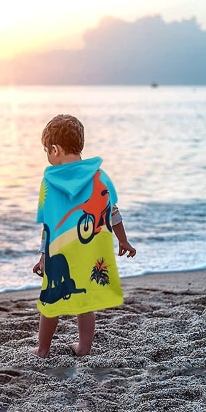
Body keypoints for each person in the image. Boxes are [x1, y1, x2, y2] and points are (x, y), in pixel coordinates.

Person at [32, 114, 136, 358]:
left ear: (55, 150)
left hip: (59, 252)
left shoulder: (48, 182)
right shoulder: (100, 177)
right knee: (85, 302)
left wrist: (43, 257)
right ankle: (84, 348)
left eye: (47, 151)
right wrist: (123, 239)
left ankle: (43, 350)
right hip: (89, 252)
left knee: (50, 303)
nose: (47, 157)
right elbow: (113, 212)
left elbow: (48, 225)